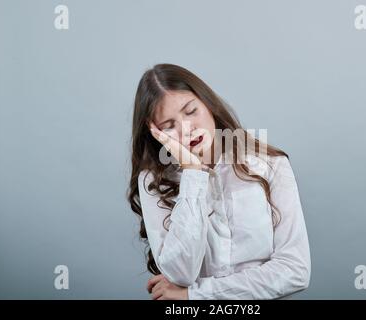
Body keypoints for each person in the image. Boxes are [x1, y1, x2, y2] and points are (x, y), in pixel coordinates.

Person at [127, 63, 311, 300]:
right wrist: (193, 172)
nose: (186, 129)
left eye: (191, 111)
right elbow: (180, 274)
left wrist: (196, 294)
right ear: (156, 134)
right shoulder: (152, 181)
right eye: (169, 126)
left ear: (207, 104)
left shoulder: (271, 164)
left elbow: (295, 271)